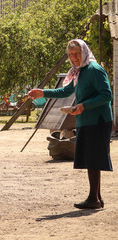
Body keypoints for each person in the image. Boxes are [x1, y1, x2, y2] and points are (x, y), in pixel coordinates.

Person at [28, 39, 113, 209]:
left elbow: (106, 95)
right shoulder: (79, 71)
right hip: (86, 120)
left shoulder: (94, 70)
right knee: (91, 158)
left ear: (84, 52)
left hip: (97, 121)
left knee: (93, 159)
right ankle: (97, 198)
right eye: (70, 54)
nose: (73, 57)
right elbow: (66, 91)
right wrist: (42, 92)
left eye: (76, 53)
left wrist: (83, 105)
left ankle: (93, 199)